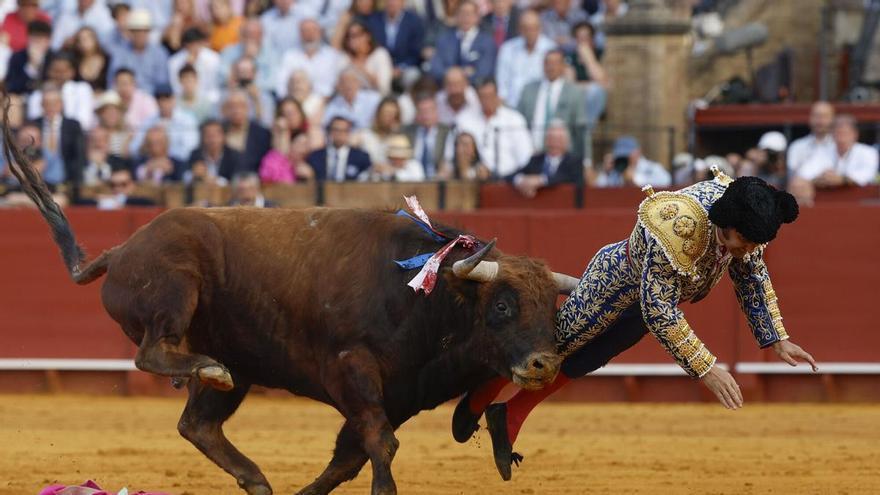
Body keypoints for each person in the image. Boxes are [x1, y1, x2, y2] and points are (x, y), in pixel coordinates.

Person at [453, 167, 819, 481]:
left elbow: (751, 274)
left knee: (589, 358)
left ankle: (510, 415)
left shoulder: (749, 216)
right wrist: (706, 369)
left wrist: (777, 338)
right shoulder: (680, 225)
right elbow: (659, 308)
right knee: (556, 344)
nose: (746, 249)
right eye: (742, 241)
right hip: (615, 282)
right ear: (726, 223)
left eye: (752, 243)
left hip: (654, 300)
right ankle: (484, 392)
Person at [455, 78, 533, 178]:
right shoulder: (464, 119)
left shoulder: (514, 119)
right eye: (483, 96)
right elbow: (453, 156)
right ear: (477, 97)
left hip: (508, 180)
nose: (486, 101)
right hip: (474, 180)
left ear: (497, 95)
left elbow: (525, 157)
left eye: (490, 96)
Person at [516, 48, 587, 157]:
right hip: (531, 154)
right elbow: (518, 122)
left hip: (563, 157)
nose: (551, 67)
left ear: (563, 66)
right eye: (548, 63)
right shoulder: (528, 90)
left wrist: (586, 159)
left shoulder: (574, 92)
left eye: (555, 63)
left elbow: (581, 129)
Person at [495, 9, 555, 107]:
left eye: (533, 28)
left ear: (540, 28)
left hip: (539, 105)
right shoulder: (507, 48)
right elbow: (502, 81)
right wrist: (503, 103)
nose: (530, 32)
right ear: (520, 29)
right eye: (526, 28)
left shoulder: (550, 49)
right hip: (511, 104)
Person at [273, 17, 345, 99]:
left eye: (313, 30)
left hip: (327, 101)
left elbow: (341, 84)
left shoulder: (333, 56)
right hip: (297, 101)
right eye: (305, 31)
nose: (310, 35)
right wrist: (289, 102)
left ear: (320, 33)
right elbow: (281, 85)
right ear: (299, 34)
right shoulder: (290, 56)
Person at [509, 120, 583, 197]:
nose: (555, 143)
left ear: (566, 142)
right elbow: (510, 176)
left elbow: (566, 177)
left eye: (559, 139)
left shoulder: (574, 161)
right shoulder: (536, 160)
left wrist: (540, 180)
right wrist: (522, 181)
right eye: (551, 138)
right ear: (546, 140)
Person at [32, 85, 87, 188]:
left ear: (61, 104)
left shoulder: (73, 126)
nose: (51, 107)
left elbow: (79, 156)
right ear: (41, 105)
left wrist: (77, 184)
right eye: (47, 104)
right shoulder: (34, 124)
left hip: (65, 180)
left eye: (54, 103)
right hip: (38, 179)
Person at [429, 0, 496, 84]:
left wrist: (462, 78)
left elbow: (485, 70)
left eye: (469, 14)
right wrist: (454, 75)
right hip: (447, 85)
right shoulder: (444, 39)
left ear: (477, 17)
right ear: (456, 16)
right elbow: (436, 67)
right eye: (462, 13)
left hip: (475, 87)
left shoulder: (487, 41)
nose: (466, 18)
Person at [107, 9, 171, 94]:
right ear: (130, 32)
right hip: (125, 97)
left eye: (144, 31)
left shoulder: (159, 53)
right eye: (137, 31)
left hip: (153, 98)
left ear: (149, 32)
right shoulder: (120, 54)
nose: (140, 34)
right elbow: (112, 82)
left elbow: (162, 84)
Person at [365, 0, 423, 88]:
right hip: (380, 65)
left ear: (402, 2)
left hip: (404, 67)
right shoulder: (374, 20)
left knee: (413, 75)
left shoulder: (414, 21)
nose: (391, 2)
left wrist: (401, 68)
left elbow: (416, 52)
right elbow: (371, 46)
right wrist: (387, 69)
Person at [305, 116, 371, 181]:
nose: (340, 134)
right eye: (336, 130)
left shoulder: (361, 157)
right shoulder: (315, 157)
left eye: (344, 130)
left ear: (349, 133)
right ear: (329, 132)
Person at [221, 89, 271, 172]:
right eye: (231, 106)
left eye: (241, 106)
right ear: (225, 110)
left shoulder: (262, 133)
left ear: (248, 108)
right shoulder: (219, 131)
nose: (236, 110)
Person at [404, 94, 453, 180]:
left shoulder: (446, 132)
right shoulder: (407, 132)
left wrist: (441, 175)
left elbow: (448, 161)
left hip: (436, 179)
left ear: (436, 112)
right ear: (416, 114)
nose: (425, 115)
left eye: (429, 111)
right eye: (422, 111)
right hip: (411, 179)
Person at [592, 136, 671, 187]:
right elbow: (598, 188)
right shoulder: (615, 170)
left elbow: (666, 181)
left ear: (638, 152)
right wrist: (607, 173)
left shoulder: (651, 167)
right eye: (621, 155)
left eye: (627, 154)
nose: (625, 158)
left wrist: (635, 178)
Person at [185, 118, 243, 185]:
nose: (212, 139)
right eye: (208, 136)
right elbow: (185, 177)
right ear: (202, 138)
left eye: (216, 135)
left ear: (224, 136)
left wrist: (215, 180)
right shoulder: (195, 154)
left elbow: (237, 181)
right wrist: (194, 175)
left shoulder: (234, 156)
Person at [787, 101, 835, 181]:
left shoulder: (840, 146)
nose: (820, 120)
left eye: (825, 116)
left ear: (832, 119)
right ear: (810, 118)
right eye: (817, 116)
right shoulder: (797, 146)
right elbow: (792, 178)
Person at [342, 20, 393, 95]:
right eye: (349, 37)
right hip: (353, 99)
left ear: (367, 35)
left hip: (377, 98)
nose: (352, 40)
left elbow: (384, 87)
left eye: (356, 35)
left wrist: (362, 70)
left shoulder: (380, 54)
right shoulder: (346, 58)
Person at [4, 19, 52, 95]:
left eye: (40, 38)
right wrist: (31, 66)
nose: (37, 42)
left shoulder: (54, 57)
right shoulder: (17, 57)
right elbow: (11, 86)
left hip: (47, 96)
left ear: (48, 40)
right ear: (28, 38)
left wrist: (38, 64)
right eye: (34, 38)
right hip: (22, 97)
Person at [71, 27, 109, 92]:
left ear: (95, 39)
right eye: (80, 40)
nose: (84, 42)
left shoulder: (107, 59)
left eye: (87, 38)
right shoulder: (75, 62)